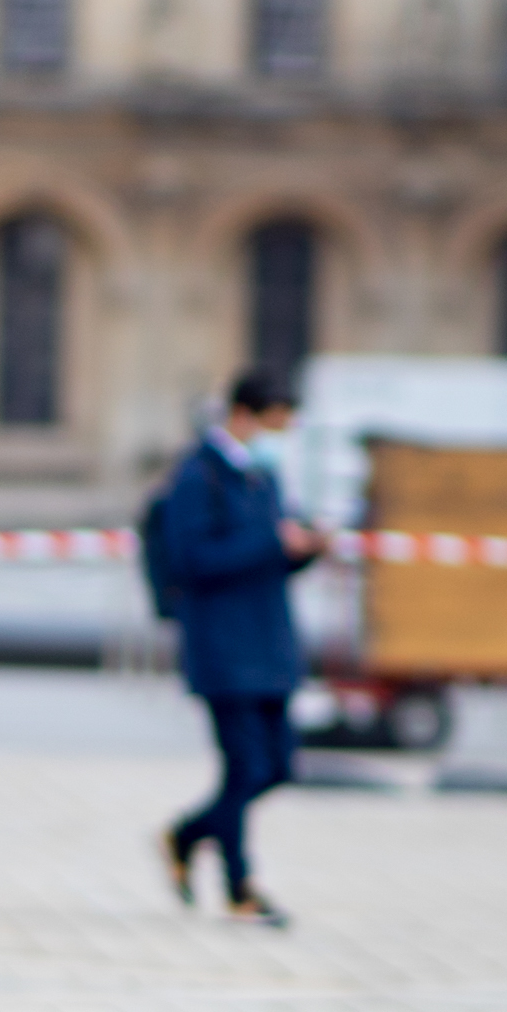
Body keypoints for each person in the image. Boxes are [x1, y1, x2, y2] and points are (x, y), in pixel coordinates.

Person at [158, 370, 323, 928]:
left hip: (269, 642)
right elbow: (193, 561)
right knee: (245, 768)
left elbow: (269, 555)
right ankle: (240, 888)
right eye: (279, 422)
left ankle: (186, 837)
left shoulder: (262, 474)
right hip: (223, 646)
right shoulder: (197, 475)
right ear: (247, 414)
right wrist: (270, 542)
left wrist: (305, 548)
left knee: (276, 766)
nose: (283, 433)